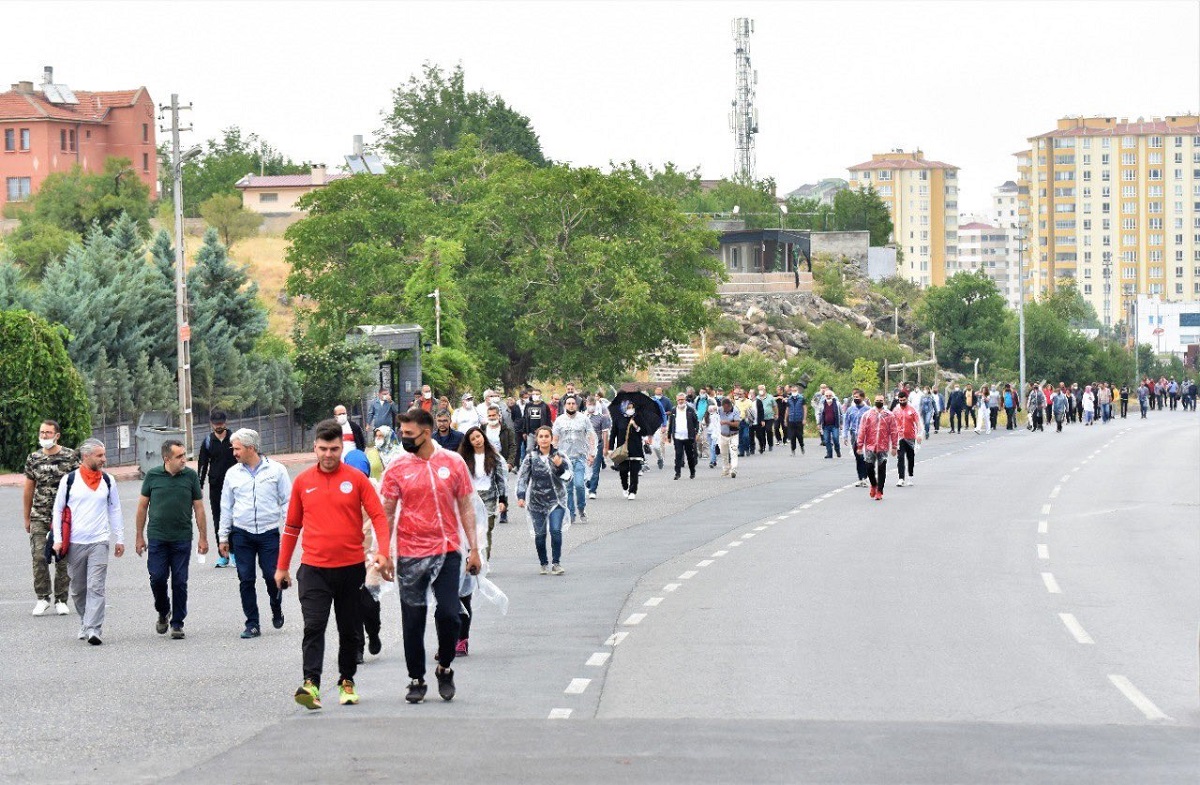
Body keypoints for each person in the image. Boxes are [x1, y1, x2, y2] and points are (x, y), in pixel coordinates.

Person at [277, 420, 391, 709]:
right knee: (314, 626)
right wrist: (282, 567)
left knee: (349, 630)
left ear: (343, 448)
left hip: (350, 568)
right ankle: (311, 685)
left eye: (335, 449)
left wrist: (383, 553)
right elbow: (291, 526)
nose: (329, 455)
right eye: (323, 449)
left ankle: (346, 681)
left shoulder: (356, 479)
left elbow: (379, 516)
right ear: (314, 447)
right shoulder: (303, 482)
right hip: (314, 569)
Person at [381, 409, 482, 704]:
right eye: (402, 433)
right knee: (413, 619)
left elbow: (466, 506)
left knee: (450, 615)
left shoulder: (452, 463)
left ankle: (444, 667)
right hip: (410, 553)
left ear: (425, 433)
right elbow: (386, 512)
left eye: (408, 434)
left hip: (448, 549)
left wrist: (474, 549)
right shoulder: (397, 467)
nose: (403, 437)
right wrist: (383, 553)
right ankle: (416, 679)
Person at [218, 429, 291, 639]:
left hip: (269, 533)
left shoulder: (276, 470)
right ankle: (252, 623)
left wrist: (288, 531)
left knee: (271, 576)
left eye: (237, 448)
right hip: (242, 534)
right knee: (246, 579)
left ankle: (276, 607)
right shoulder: (232, 474)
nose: (234, 453)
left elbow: (287, 501)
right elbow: (226, 507)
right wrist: (223, 537)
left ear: (251, 448)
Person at [52, 439, 124, 644]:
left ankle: (94, 629)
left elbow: (115, 509)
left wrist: (119, 538)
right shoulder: (70, 480)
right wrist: (58, 540)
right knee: (78, 588)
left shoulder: (108, 481)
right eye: (99, 455)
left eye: (104, 455)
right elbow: (58, 510)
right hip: (75, 542)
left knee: (96, 586)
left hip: (99, 541)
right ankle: (85, 620)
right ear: (86, 457)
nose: (104, 459)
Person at [134, 439, 208, 640]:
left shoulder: (190, 476)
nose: (184, 459)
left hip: (182, 538)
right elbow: (142, 507)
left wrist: (203, 537)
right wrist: (139, 536)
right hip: (157, 537)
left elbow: (199, 508)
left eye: (184, 455)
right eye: (179, 456)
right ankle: (163, 610)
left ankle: (177, 623)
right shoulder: (153, 476)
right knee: (157, 578)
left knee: (180, 581)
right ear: (167, 458)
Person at [23, 419, 79, 616]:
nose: (44, 436)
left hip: (63, 516)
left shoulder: (70, 456)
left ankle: (61, 600)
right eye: (42, 432)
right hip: (39, 514)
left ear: (57, 436)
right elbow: (29, 488)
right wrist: (27, 517)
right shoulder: (33, 458)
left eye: (48, 432)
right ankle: (42, 598)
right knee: (38, 556)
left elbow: (77, 486)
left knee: (62, 558)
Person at [517, 425, 572, 574]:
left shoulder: (559, 456)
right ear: (537, 439)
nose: (544, 439)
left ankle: (556, 563)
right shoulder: (530, 457)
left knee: (555, 531)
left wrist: (560, 467)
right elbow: (523, 478)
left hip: (556, 501)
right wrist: (521, 496)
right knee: (540, 536)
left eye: (546, 436)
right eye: (541, 436)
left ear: (551, 438)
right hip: (536, 502)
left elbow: (568, 478)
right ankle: (543, 563)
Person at [198, 411, 237, 568]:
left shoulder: (235, 439)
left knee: (235, 519)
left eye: (221, 422)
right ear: (211, 423)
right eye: (216, 423)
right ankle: (223, 555)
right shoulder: (208, 441)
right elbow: (202, 465)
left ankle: (235, 553)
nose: (219, 425)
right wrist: (199, 485)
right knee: (219, 520)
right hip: (216, 486)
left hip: (235, 486)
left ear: (225, 422)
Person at [551, 394, 596, 523]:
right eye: (569, 403)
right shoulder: (559, 420)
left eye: (573, 403)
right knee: (568, 488)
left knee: (579, 485)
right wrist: (553, 456)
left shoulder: (584, 419)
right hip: (565, 460)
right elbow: (555, 440)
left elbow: (590, 436)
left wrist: (592, 453)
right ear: (565, 406)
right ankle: (571, 513)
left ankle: (581, 508)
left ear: (576, 405)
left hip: (579, 458)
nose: (571, 405)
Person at [856, 396, 898, 501]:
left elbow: (894, 431)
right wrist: (860, 445)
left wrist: (894, 446)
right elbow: (862, 430)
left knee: (882, 469)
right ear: (874, 402)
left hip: (883, 446)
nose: (879, 402)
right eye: (877, 400)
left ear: (884, 402)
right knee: (869, 467)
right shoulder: (868, 415)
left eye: (881, 401)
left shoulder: (889, 415)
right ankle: (873, 484)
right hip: (870, 446)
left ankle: (880, 491)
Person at [610, 401, 646, 496]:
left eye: (631, 407)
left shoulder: (638, 418)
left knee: (634, 471)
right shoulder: (618, 419)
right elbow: (613, 434)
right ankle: (625, 487)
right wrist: (610, 448)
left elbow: (643, 431)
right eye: (628, 408)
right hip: (622, 449)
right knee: (623, 470)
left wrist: (635, 425)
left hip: (635, 448)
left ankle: (633, 491)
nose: (630, 410)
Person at [666, 392, 699, 480]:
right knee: (678, 455)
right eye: (679, 400)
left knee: (690, 455)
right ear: (676, 400)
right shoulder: (673, 410)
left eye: (682, 399)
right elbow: (671, 423)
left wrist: (696, 433)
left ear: (685, 400)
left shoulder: (690, 410)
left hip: (689, 437)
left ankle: (692, 472)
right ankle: (677, 473)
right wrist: (669, 435)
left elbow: (696, 422)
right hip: (677, 437)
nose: (681, 401)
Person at [892, 391, 922, 487]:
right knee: (900, 457)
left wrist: (919, 434)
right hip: (900, 437)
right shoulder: (896, 410)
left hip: (910, 437)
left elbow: (918, 423)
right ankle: (901, 478)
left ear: (907, 399)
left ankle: (910, 476)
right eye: (900, 400)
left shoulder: (912, 410)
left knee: (910, 458)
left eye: (904, 400)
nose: (902, 402)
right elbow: (892, 423)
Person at [842, 390, 870, 487]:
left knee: (864, 457)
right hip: (854, 436)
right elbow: (846, 423)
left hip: (865, 437)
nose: (856, 399)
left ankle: (865, 478)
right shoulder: (850, 410)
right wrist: (845, 436)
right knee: (858, 458)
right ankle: (860, 478)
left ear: (862, 397)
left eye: (857, 397)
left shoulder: (868, 410)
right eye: (854, 397)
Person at [585, 395, 611, 499]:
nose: (591, 406)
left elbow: (605, 434)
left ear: (596, 405)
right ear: (586, 405)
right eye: (589, 404)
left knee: (595, 469)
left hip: (598, 445)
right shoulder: (583, 417)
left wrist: (605, 447)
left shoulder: (602, 418)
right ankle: (588, 483)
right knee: (586, 469)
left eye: (593, 405)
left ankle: (593, 490)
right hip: (584, 446)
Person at [717, 397, 741, 479]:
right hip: (723, 435)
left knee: (733, 452)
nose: (724, 410)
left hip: (733, 435)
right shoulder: (720, 410)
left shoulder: (735, 411)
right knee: (724, 454)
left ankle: (733, 469)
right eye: (723, 407)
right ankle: (726, 469)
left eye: (726, 408)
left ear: (729, 406)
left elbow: (737, 424)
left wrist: (726, 422)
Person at [816, 388, 843, 458]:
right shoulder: (822, 404)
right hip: (825, 425)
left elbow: (841, 414)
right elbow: (819, 414)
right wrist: (818, 423)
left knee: (836, 439)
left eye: (829, 395)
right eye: (827, 396)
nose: (828, 397)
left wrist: (841, 423)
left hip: (835, 425)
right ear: (825, 396)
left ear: (832, 396)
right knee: (827, 440)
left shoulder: (837, 403)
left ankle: (837, 450)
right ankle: (829, 454)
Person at [784, 384, 806, 456]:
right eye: (793, 390)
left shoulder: (801, 398)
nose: (794, 392)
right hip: (791, 420)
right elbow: (787, 410)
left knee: (799, 435)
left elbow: (805, 409)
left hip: (799, 419)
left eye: (795, 390)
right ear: (791, 391)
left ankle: (802, 446)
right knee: (792, 436)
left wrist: (804, 419)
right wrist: (785, 419)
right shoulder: (789, 399)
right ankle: (793, 450)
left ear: (798, 390)